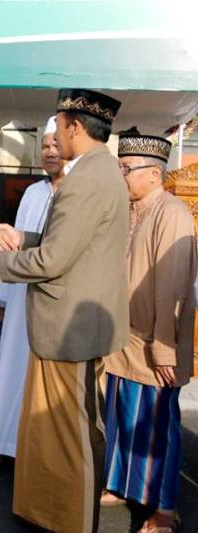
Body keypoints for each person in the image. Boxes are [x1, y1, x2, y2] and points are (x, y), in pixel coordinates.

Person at [0, 89, 129, 533]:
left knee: (71, 436)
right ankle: (51, 514)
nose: (54, 137)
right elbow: (63, 242)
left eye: (58, 127)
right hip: (69, 325)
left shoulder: (85, 178)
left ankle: (76, 522)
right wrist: (18, 236)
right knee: (53, 433)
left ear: (74, 128)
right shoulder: (98, 170)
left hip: (69, 329)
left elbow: (53, 261)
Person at [101, 133, 195, 533]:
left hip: (155, 343)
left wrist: (165, 349)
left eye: (127, 169)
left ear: (154, 174)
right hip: (122, 339)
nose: (121, 176)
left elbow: (172, 287)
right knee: (122, 419)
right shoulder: (129, 208)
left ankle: (166, 510)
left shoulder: (171, 212)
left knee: (157, 427)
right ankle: (125, 488)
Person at [0, 116, 67, 462]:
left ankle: (29, 450)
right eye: (44, 146)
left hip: (50, 301)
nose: (49, 152)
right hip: (18, 296)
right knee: (12, 368)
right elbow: (14, 245)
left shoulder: (74, 193)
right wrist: (2, 295)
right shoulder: (32, 192)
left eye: (55, 145)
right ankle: (4, 443)